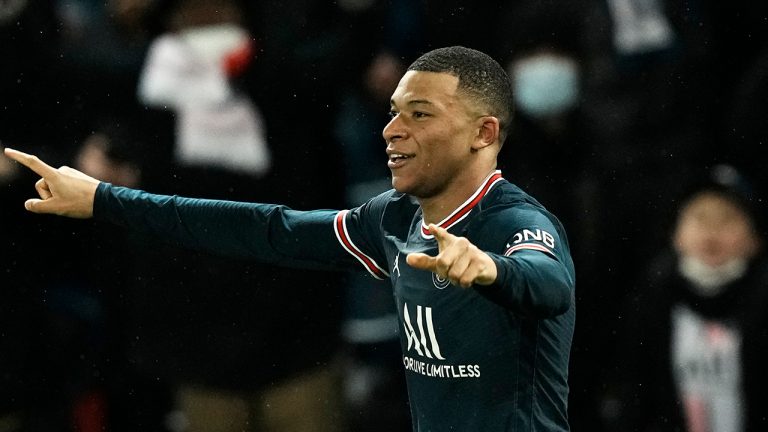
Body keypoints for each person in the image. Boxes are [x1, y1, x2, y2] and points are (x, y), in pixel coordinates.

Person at [4, 46, 576, 431]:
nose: (392, 130)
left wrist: (491, 271)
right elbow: (265, 229)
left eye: (420, 114)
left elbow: (546, 283)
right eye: (394, 111)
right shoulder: (393, 221)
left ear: (484, 132)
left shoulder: (513, 224)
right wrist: (105, 198)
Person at [601, 165, 768, 431]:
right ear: (676, 233)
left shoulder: (761, 296)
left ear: (755, 238)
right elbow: (634, 394)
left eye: (726, 219)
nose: (711, 233)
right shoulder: (652, 295)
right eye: (700, 218)